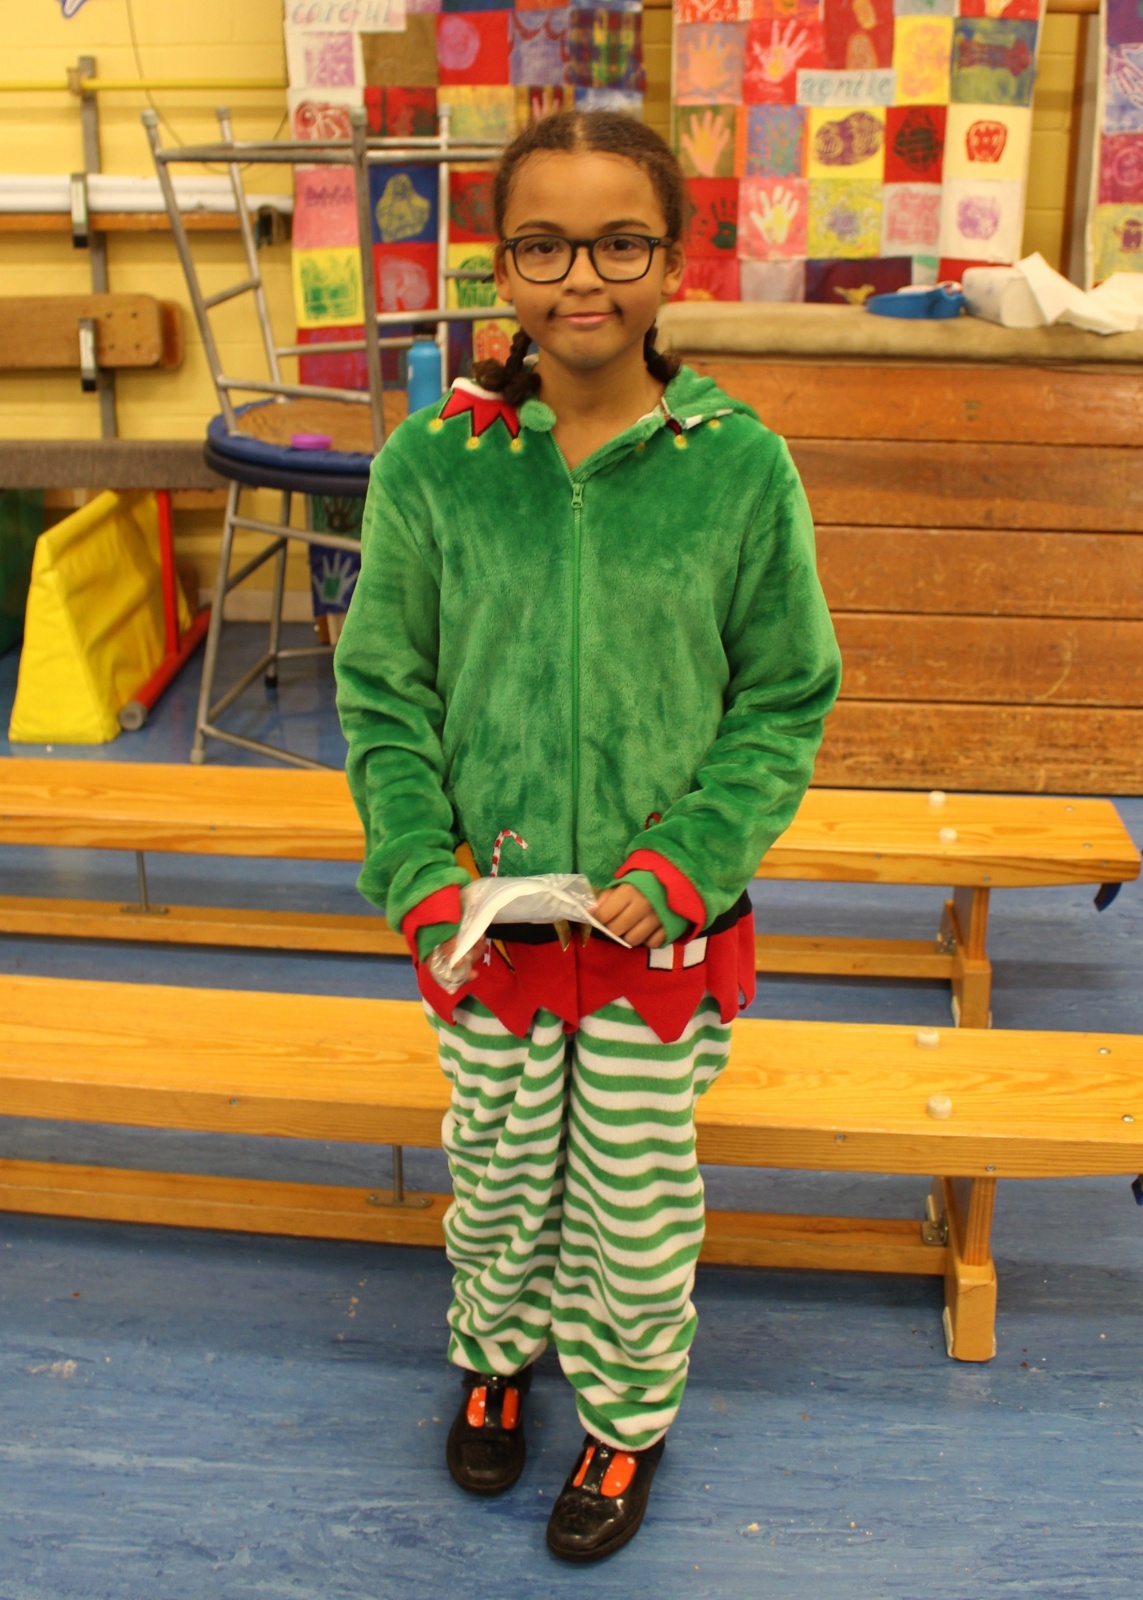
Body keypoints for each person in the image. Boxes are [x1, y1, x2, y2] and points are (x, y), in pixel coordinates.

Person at [334, 109, 842, 1563]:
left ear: (672, 263)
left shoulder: (737, 467)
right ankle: (495, 1361)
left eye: (620, 244)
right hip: (485, 936)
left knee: (632, 1196)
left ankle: (625, 1418)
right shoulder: (435, 462)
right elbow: (384, 690)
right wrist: (421, 873)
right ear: (502, 269)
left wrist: (685, 864)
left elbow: (785, 696)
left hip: (653, 940)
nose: (582, 279)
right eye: (545, 246)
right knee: (496, 1171)